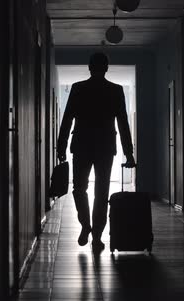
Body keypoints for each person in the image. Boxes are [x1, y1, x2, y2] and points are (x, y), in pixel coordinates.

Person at [57, 52, 136, 252]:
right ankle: (97, 237)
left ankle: (85, 225)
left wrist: (61, 146)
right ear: (106, 67)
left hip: (81, 146)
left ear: (90, 67)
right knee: (101, 193)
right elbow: (123, 123)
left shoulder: (78, 89)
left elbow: (67, 119)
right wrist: (129, 152)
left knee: (79, 189)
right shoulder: (115, 91)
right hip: (105, 147)